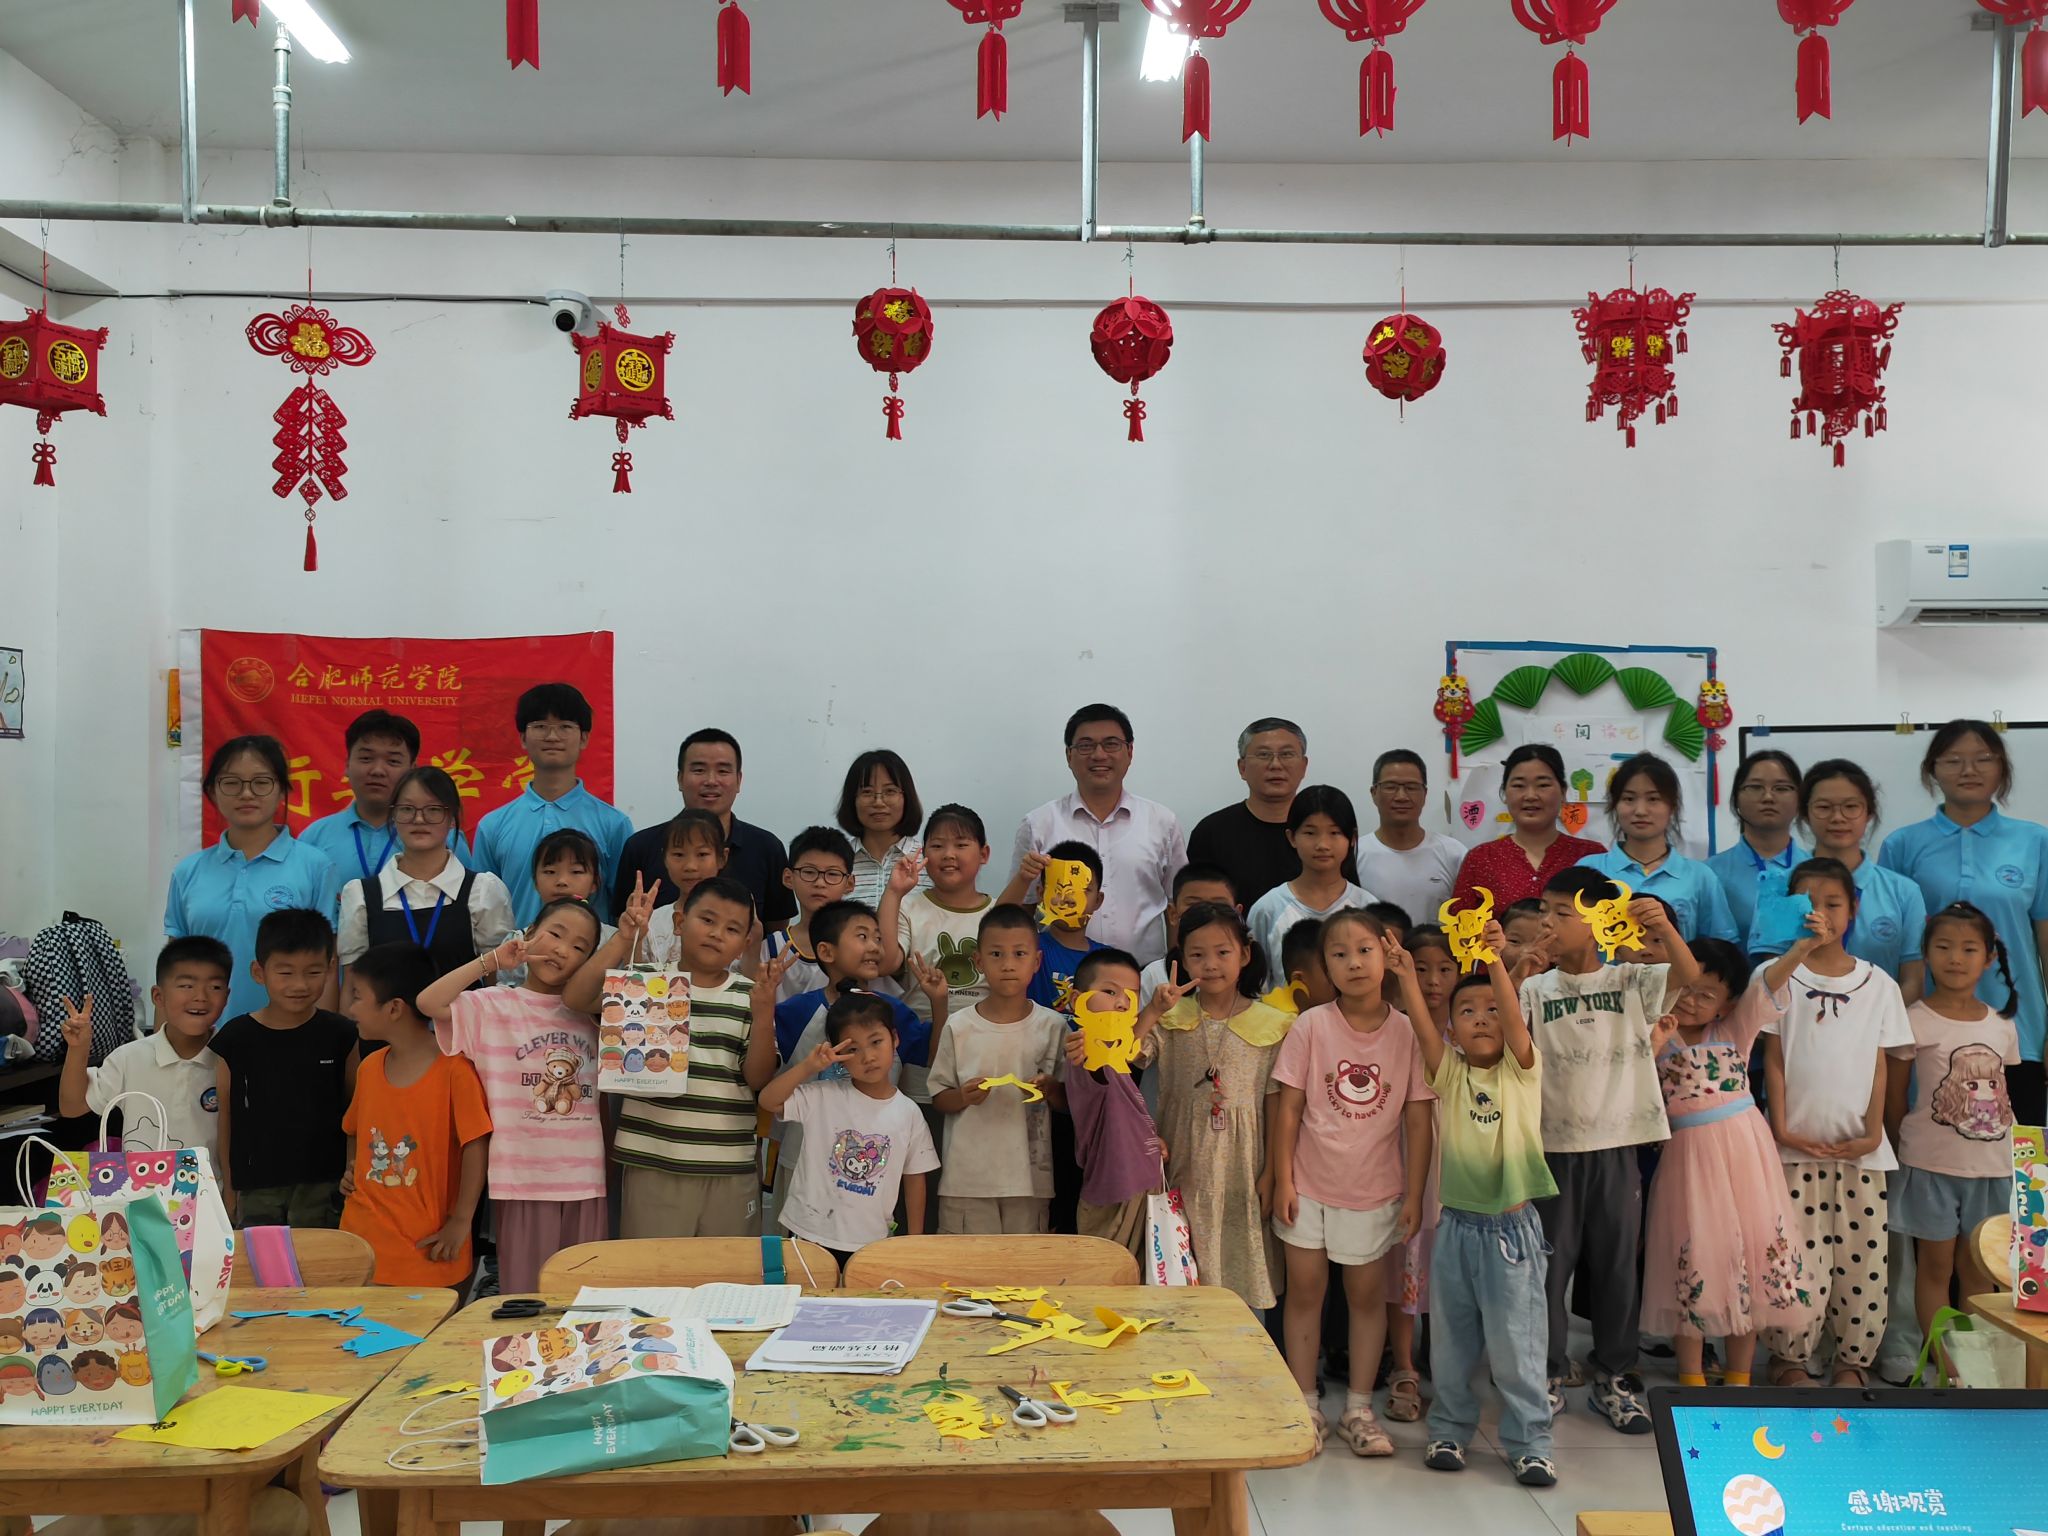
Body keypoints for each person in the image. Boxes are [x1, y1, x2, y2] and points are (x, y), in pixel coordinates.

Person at [1522, 866, 1698, 1433]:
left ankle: (1616, 1376)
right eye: (1544, 911)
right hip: (1551, 1148)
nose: (1548, 922)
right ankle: (1548, 1374)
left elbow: (1688, 974)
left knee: (1617, 1267)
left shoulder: (1629, 980)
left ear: (1599, 921)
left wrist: (1662, 929)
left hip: (1618, 1147)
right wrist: (1519, 965)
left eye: (1562, 913)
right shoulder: (1534, 988)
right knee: (1549, 1269)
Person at [1386, 924, 1559, 1488]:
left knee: (1517, 1346)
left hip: (1512, 1232)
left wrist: (1495, 962)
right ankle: (1449, 1429)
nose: (1482, 1018)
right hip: (1456, 1229)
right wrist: (1406, 975)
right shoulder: (1449, 1073)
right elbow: (1422, 1026)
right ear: (1453, 1029)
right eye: (1467, 1011)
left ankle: (1530, 1442)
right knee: (1452, 1344)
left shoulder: (1521, 1070)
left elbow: (1512, 1017)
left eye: (1491, 1010)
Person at [1269, 909, 1432, 1459]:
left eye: (1365, 950)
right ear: (1324, 967)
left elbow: (1417, 1119)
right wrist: (1284, 1179)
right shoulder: (1311, 1026)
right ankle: (1305, 1405)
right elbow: (1288, 1108)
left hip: (1374, 1191)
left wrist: (1414, 1194)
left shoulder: (1407, 1031)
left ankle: (1359, 1410)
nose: (1354, 963)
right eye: (1339, 955)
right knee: (1305, 1293)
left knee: (1365, 1299)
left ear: (1388, 955)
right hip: (1307, 1186)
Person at [1758, 857, 1914, 1386]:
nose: (1820, 914)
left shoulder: (1879, 984)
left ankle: (1853, 1359)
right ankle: (1789, 1357)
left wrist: (1873, 1134)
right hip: (1792, 1148)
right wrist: (1782, 1129)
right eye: (1808, 904)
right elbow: (1774, 1059)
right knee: (1793, 1257)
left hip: (1860, 1152)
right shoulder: (1778, 976)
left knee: (1861, 1261)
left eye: (1833, 904)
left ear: (1854, 909)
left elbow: (1879, 1064)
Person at [1640, 939, 1818, 1391]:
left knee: (1752, 1259)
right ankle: (1692, 1379)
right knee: (1694, 1257)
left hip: (1746, 1157)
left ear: (1728, 1004)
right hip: (1689, 1162)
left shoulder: (1736, 1031)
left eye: (1706, 994)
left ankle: (1739, 1379)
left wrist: (1802, 950)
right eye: (1686, 988)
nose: (1691, 1000)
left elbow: (1767, 983)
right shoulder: (1654, 1033)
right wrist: (1652, 1042)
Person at [419, 898, 607, 1294]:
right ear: (529, 933)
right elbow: (428, 1002)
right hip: (522, 1181)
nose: (562, 950)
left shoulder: (593, 1015)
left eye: (579, 947)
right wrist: (492, 961)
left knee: (583, 1302)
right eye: (556, 934)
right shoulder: (493, 1005)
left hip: (586, 1182)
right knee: (526, 1297)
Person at [1878, 719, 2048, 1124]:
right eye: (1953, 760)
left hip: (2019, 1029)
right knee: (1926, 1146)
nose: (1968, 770)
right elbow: (1893, 948)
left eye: (1983, 759)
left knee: (2020, 1154)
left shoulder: (2036, 842)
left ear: (2002, 768)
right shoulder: (1902, 845)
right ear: (1932, 770)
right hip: (1925, 1031)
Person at [604, 877, 775, 1239]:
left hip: (730, 1165)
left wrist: (764, 1016)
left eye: (732, 929)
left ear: (745, 944)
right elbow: (575, 999)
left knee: (727, 1269)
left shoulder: (752, 995)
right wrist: (623, 938)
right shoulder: (644, 982)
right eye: (707, 920)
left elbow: (758, 1079)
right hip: (653, 1162)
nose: (716, 934)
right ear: (679, 923)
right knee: (652, 1268)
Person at [1886, 901, 2020, 1344]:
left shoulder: (2002, 1025)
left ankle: (1972, 1365)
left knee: (1979, 1272)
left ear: (1989, 957)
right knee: (1935, 1267)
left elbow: (2004, 1101)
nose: (1955, 958)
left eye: (1968, 949)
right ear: (1926, 955)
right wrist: (1900, 1149)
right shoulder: (1913, 1020)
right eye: (1943, 947)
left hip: (1993, 1170)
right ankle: (1942, 1365)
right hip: (1931, 1166)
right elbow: (1894, 1097)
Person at [1146, 902, 1293, 1309]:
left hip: (1245, 1168)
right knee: (1183, 1280)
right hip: (1185, 1164)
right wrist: (1153, 1010)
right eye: (1197, 954)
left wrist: (1272, 1173)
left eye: (1222, 952)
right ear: (1181, 959)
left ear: (1244, 955)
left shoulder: (1273, 1025)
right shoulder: (1171, 1019)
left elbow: (1276, 1106)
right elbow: (1124, 1057)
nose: (1210, 964)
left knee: (1243, 1282)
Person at [337, 942, 491, 1287]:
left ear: (394, 1008)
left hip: (429, 1250)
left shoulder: (456, 1071)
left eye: (357, 997)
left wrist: (461, 1221)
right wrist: (352, 1169)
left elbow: (476, 1145)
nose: (349, 1009)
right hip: (362, 1244)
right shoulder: (369, 1067)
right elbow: (354, 1130)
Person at [167, 734, 341, 1020]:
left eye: (261, 782)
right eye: (231, 783)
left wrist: (320, 1037)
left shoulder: (316, 867)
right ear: (212, 792)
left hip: (287, 1033)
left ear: (282, 791)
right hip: (204, 1034)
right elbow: (173, 971)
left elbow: (327, 965)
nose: (246, 794)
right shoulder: (188, 871)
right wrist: (164, 1040)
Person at [762, 991, 939, 1269]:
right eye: (853, 1049)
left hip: (871, 1240)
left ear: (895, 1038)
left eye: (876, 1042)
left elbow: (915, 1179)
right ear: (839, 1055)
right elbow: (768, 1100)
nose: (868, 1057)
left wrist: (913, 1241)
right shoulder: (822, 1095)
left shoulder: (909, 1113)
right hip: (809, 1234)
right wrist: (808, 1066)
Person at [1008, 704, 1187, 965]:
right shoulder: (1038, 824)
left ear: (1130, 751)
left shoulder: (1162, 822)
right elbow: (1020, 912)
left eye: (1111, 744)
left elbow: (1178, 907)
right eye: (1086, 746)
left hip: (1145, 976)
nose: (1099, 754)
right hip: (1058, 976)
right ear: (1069, 755)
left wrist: (1174, 970)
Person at [212, 909, 358, 1227]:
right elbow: (227, 1117)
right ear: (259, 972)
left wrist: (352, 1167)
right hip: (257, 1188)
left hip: (326, 1186)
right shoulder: (235, 1038)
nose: (299, 984)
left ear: (330, 969)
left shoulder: (342, 1035)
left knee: (323, 1258)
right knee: (261, 1259)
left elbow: (355, 1111)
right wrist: (230, 1189)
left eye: (313, 972)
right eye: (285, 972)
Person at [928, 905, 1067, 1234]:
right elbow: (939, 1097)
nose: (1007, 965)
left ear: (1036, 961)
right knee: (968, 1264)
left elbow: (1069, 1104)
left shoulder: (1053, 1026)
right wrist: (963, 1097)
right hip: (967, 1181)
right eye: (996, 954)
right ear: (978, 961)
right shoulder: (959, 1026)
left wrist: (1051, 1089)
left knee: (1023, 1264)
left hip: (1030, 1181)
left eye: (1019, 954)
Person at [1750, 761, 1925, 995]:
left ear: (1869, 813)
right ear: (1805, 813)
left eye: (1851, 807)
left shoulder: (1904, 892)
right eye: (1824, 807)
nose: (1837, 817)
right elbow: (1770, 978)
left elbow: (1912, 980)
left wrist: (1879, 1017)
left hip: (1881, 1016)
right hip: (1797, 1016)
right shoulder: (1779, 886)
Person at [336, 766, 516, 982]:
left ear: (452, 817)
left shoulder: (482, 891)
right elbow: (352, 986)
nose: (419, 819)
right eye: (407, 809)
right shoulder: (361, 895)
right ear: (393, 816)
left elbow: (497, 984)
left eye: (433, 809)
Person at [472, 684, 631, 925]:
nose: (552, 737)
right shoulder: (492, 826)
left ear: (584, 738)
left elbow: (624, 908)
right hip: (515, 948)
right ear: (523, 738)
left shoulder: (614, 824)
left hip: (594, 949)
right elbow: (482, 910)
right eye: (540, 726)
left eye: (565, 726)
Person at [57, 936, 233, 1155]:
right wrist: (78, 1048)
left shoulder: (233, 1058)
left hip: (213, 1178)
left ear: (226, 996)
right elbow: (72, 1107)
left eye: (215, 987)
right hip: (142, 1178)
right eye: (187, 986)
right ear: (158, 996)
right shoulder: (129, 1058)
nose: (201, 997)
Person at [613, 729, 794, 931]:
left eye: (723, 771)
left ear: (739, 780)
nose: (711, 781)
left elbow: (776, 928)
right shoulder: (641, 846)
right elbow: (623, 923)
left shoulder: (767, 848)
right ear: (680, 779)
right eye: (699, 770)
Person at [880, 803, 995, 1108]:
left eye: (961, 845)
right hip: (922, 1050)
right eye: (938, 845)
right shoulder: (909, 907)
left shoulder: (998, 913)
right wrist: (893, 893)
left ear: (984, 854)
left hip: (984, 1049)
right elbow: (887, 962)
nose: (948, 854)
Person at [1062, 948, 1167, 1257]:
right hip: (1113, 1191)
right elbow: (1092, 1060)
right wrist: (1077, 1046)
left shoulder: (1117, 1055)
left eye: (1130, 997)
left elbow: (1125, 1049)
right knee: (1108, 1275)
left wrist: (1150, 1140)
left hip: (1144, 1184)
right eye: (1109, 992)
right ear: (1077, 1000)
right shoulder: (1086, 1052)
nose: (1121, 1002)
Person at [1576, 753, 1738, 943]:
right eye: (1629, 799)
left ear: (1672, 807)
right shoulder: (1589, 870)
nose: (1640, 811)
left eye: (1653, 799)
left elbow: (1722, 948)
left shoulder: (1700, 877)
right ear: (1615, 805)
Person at [300, 709, 467, 885]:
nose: (378, 771)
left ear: (412, 769)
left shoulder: (443, 837)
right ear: (347, 765)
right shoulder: (315, 837)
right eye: (366, 758)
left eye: (393, 761)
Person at [1245, 786, 1377, 992]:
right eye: (1310, 832)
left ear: (1352, 839)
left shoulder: (1367, 907)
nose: (1322, 844)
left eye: (1334, 832)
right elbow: (1256, 985)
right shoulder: (1268, 909)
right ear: (1291, 837)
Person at [1450, 744, 1606, 911]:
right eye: (1519, 786)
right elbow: (1460, 923)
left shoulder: (1593, 856)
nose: (1530, 796)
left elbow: (1611, 920)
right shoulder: (1480, 859)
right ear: (1504, 793)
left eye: (1543, 785)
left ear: (1563, 792)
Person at [1187, 718, 1310, 908]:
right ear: (1242, 767)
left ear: (1304, 766)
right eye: (1263, 755)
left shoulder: (1325, 832)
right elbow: (1196, 907)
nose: (1276, 765)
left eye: (1286, 754)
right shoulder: (1212, 832)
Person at [1356, 750, 1468, 927]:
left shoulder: (1454, 853)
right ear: (1374, 792)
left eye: (1411, 787)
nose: (1401, 796)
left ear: (1425, 794)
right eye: (1391, 787)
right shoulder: (1354, 854)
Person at [1705, 751, 1806, 942]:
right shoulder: (1709, 873)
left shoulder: (1818, 869)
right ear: (1736, 798)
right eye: (1755, 787)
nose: (1768, 797)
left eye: (1781, 788)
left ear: (1799, 799)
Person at [761, 826, 858, 1002]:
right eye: (809, 872)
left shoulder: (859, 946)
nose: (820, 883)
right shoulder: (770, 947)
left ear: (849, 883)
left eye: (832, 874)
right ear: (788, 878)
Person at [632, 810, 732, 967]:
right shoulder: (652, 921)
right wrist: (634, 936)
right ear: (665, 858)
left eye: (702, 854)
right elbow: (634, 977)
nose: (690, 866)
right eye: (679, 854)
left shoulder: (736, 918)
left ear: (722, 858)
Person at [836, 749, 928, 908]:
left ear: (906, 797)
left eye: (890, 791)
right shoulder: (837, 863)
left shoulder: (927, 862)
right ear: (852, 799)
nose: (878, 802)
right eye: (867, 792)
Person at [1023, 840, 1107, 1013]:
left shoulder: (1109, 959)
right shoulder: (1027, 948)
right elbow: (998, 923)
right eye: (1058, 888)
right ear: (1041, 894)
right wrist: (1023, 878)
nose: (1069, 899)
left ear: (1098, 900)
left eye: (1082, 890)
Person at [1139, 864, 1239, 1006]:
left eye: (1219, 906)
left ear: (1237, 913)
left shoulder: (1249, 974)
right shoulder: (1154, 975)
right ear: (1173, 913)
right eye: (1194, 905)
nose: (1207, 914)